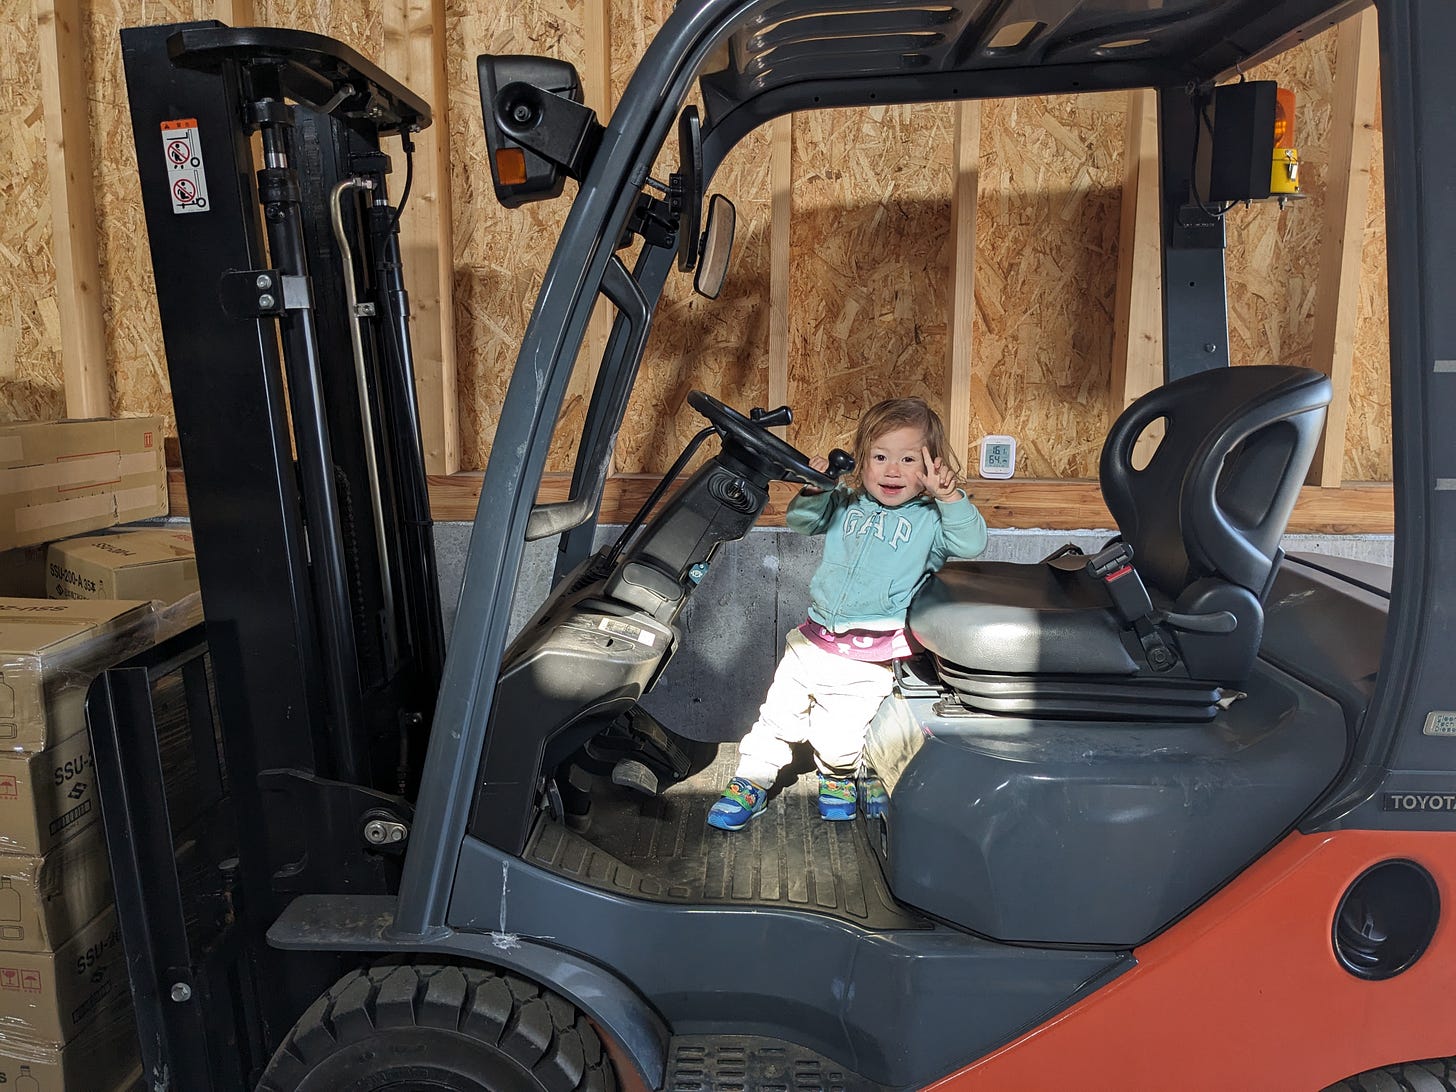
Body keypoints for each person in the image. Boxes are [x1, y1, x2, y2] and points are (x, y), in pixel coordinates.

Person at [707, 396, 988, 831]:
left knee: (839, 737)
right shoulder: (847, 502)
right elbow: (801, 521)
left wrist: (950, 497)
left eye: (908, 459)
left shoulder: (932, 522)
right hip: (812, 641)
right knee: (776, 717)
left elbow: (971, 545)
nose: (892, 470)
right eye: (880, 457)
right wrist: (817, 487)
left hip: (866, 656)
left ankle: (839, 774)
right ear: (861, 461)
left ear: (932, 467)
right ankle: (751, 779)